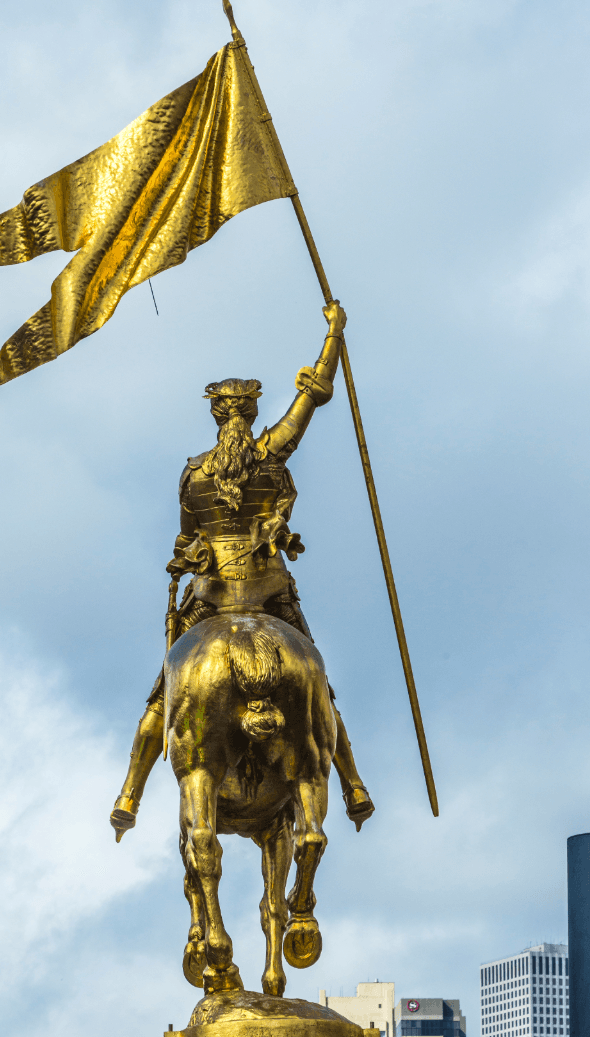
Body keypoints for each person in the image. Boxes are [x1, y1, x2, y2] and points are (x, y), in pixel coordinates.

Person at [110, 301, 374, 839]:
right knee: (319, 689)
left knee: (164, 696)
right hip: (272, 594)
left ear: (217, 417)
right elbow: (313, 397)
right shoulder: (273, 454)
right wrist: (334, 335)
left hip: (211, 598)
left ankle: (129, 795)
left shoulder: (194, 476)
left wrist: (188, 557)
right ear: (252, 414)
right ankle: (352, 783)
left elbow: (187, 539)